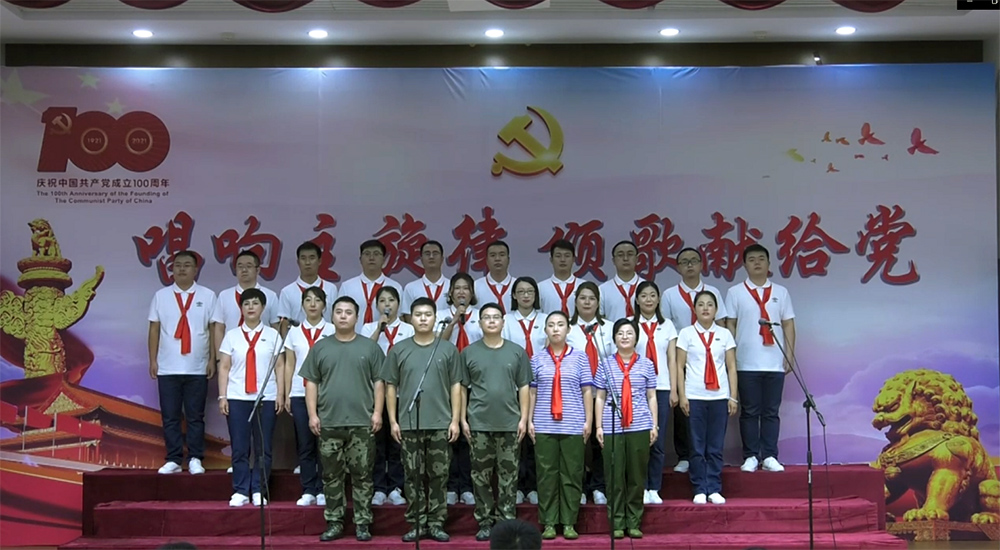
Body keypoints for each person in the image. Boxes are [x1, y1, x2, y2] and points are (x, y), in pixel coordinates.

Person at [299, 296, 385, 542]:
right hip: (329, 422)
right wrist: (313, 415)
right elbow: (311, 383)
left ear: (357, 318)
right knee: (331, 476)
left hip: (362, 422)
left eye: (349, 312)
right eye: (339, 312)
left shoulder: (370, 348)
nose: (344, 316)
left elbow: (379, 382)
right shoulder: (321, 347)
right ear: (332, 316)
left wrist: (377, 412)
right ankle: (335, 522)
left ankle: (362, 523)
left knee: (362, 476)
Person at [385, 297, 464, 543]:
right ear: (411, 318)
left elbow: (456, 386)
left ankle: (437, 522)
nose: (423, 319)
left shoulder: (448, 350)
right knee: (413, 476)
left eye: (428, 315)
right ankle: (417, 523)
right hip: (410, 423)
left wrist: (454, 420)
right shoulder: (399, 349)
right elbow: (390, 386)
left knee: (439, 476)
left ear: (435, 318)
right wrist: (393, 421)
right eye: (418, 315)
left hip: (441, 423)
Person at [461, 302, 531, 542]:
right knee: (480, 476)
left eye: (496, 317)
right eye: (486, 317)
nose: (491, 321)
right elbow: (462, 387)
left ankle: (506, 522)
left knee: (508, 477)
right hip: (479, 424)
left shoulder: (516, 352)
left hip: (510, 423)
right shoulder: (469, 352)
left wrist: (524, 418)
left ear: (503, 322)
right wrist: (462, 419)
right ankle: (484, 521)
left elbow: (524, 387)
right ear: (479, 323)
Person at [725, 244, 795, 473]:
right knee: (749, 411)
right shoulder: (735, 292)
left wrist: (789, 354)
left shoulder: (781, 292)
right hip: (746, 362)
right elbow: (730, 324)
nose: (757, 263)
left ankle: (770, 455)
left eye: (761, 258)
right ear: (745, 265)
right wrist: (731, 357)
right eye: (752, 259)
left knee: (771, 412)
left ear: (768, 263)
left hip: (774, 362)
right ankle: (751, 456)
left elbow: (788, 324)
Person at [148, 250, 217, 475]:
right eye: (177, 265)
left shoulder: (208, 295)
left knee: (196, 416)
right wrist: (153, 360)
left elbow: (212, 329)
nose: (182, 269)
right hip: (168, 367)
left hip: (197, 366)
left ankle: (196, 458)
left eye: (187, 265)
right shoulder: (161, 296)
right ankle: (174, 459)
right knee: (170, 416)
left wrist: (212, 359)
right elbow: (154, 329)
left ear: (196, 270)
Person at [661, 247, 729, 474]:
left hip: (709, 357)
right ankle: (684, 455)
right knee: (683, 409)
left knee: (708, 412)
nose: (689, 265)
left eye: (693, 261)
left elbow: (722, 323)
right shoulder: (669, 294)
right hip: (682, 354)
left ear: (701, 265)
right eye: (684, 262)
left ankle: (709, 456)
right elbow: (666, 326)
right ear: (678, 267)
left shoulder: (713, 292)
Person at [216, 288, 285, 507]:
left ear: (263, 308)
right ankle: (240, 490)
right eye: (246, 304)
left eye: (255, 303)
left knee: (263, 448)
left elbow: (280, 366)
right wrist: (222, 396)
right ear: (241, 308)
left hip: (266, 397)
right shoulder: (232, 335)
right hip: (237, 397)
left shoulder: (273, 335)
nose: (251, 307)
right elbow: (224, 367)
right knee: (239, 447)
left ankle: (258, 490)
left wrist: (280, 394)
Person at [528, 311, 593, 540]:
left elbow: (587, 391)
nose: (556, 329)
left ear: (568, 329)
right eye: (551, 325)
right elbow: (532, 392)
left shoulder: (580, 357)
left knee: (572, 474)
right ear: (545, 330)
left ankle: (568, 522)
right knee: (546, 475)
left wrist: (588, 421)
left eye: (560, 324)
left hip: (573, 424)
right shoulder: (536, 359)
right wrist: (529, 420)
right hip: (544, 424)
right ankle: (548, 522)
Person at [594, 319, 657, 539]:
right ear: (614, 338)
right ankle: (617, 522)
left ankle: (634, 521)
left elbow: (651, 396)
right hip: (612, 426)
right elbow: (600, 397)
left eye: (629, 333)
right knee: (614, 476)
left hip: (639, 425)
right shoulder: (605, 364)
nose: (624, 337)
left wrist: (654, 424)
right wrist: (598, 425)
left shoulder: (646, 364)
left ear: (636, 338)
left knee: (636, 477)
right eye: (620, 333)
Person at [677, 290, 738, 504]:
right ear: (694, 309)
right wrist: (682, 395)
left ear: (716, 309)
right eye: (701, 304)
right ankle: (699, 488)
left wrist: (733, 397)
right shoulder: (686, 334)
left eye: (710, 304)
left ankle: (714, 487)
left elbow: (731, 367)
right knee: (696, 446)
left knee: (715, 446)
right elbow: (679, 366)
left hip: (719, 397)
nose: (705, 308)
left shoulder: (725, 334)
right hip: (694, 396)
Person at [281, 286, 335, 508]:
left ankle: (324, 489)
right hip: (299, 393)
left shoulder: (332, 329)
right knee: (305, 444)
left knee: (326, 444)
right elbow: (289, 364)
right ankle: (308, 489)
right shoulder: (294, 332)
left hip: (327, 394)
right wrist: (286, 393)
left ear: (324, 305)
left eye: (317, 300)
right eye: (308, 300)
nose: (313, 304)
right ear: (302, 305)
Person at [361, 286, 413, 507]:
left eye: (391, 300)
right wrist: (378, 329)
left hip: (401, 393)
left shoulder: (409, 329)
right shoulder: (368, 328)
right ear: (376, 306)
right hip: (374, 394)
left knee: (398, 443)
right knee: (377, 444)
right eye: (382, 301)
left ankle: (396, 487)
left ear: (398, 304)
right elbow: (363, 353)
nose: (387, 305)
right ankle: (379, 487)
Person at [500, 276, 546, 505]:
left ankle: (534, 486)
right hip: (514, 385)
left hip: (542, 386)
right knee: (516, 437)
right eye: (521, 291)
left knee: (536, 436)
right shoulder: (506, 320)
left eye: (530, 291)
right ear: (514, 296)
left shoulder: (546, 319)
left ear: (536, 295)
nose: (526, 295)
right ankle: (518, 486)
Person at [567, 282, 613, 505]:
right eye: (582, 298)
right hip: (575, 396)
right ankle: (580, 487)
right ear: (575, 302)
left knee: (599, 442)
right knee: (577, 443)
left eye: (591, 298)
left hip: (603, 395)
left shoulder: (609, 328)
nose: (587, 302)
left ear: (598, 303)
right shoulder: (567, 328)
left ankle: (599, 486)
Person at [631, 281, 678, 504]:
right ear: (637, 300)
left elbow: (672, 359)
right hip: (636, 389)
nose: (648, 299)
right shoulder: (630, 325)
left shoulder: (667, 325)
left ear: (658, 299)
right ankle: (640, 486)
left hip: (661, 387)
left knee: (657, 440)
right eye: (644, 295)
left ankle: (654, 487)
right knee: (639, 441)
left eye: (652, 295)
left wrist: (674, 390)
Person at [439, 272, 481, 505]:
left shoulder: (481, 316)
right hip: (447, 383)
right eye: (457, 288)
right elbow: (438, 344)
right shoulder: (441, 316)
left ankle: (467, 486)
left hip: (474, 383)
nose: (461, 292)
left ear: (472, 293)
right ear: (451, 293)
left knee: (468, 436)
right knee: (449, 435)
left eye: (466, 288)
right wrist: (454, 320)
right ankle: (450, 486)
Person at [212, 250, 280, 374]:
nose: (244, 270)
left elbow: (275, 327)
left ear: (258, 270)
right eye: (240, 266)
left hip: (262, 357)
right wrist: (218, 359)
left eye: (249, 266)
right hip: (232, 356)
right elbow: (219, 329)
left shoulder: (270, 296)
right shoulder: (224, 295)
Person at [339, 240, 403, 332]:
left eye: (376, 254)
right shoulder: (347, 287)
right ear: (360, 260)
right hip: (353, 337)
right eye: (367, 254)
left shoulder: (395, 287)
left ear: (383, 260)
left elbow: (399, 317)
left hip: (385, 337)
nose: (371, 258)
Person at [276, 241, 338, 336]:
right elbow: (284, 323)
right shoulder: (287, 291)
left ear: (319, 261)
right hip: (298, 341)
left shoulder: (331, 289)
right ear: (298, 262)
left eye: (312, 258)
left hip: (327, 339)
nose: (307, 262)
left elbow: (336, 318)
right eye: (303, 258)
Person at [401, 240, 450, 319]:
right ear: (421, 259)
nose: (431, 257)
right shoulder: (411, 287)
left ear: (442, 259)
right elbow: (408, 316)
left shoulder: (452, 286)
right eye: (427, 254)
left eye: (435, 253)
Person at [538, 239, 586, 316]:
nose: (563, 260)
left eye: (567, 256)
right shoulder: (540, 287)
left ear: (573, 259)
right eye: (558, 256)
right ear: (551, 260)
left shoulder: (584, 286)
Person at [599, 240, 641, 322]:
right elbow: (599, 319)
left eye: (630, 254)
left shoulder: (647, 287)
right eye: (620, 255)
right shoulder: (603, 290)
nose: (625, 258)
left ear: (637, 259)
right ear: (613, 261)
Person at [474, 240, 515, 315]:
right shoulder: (475, 286)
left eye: (502, 255)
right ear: (486, 260)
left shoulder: (517, 285)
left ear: (508, 260)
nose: (497, 259)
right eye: (493, 255)